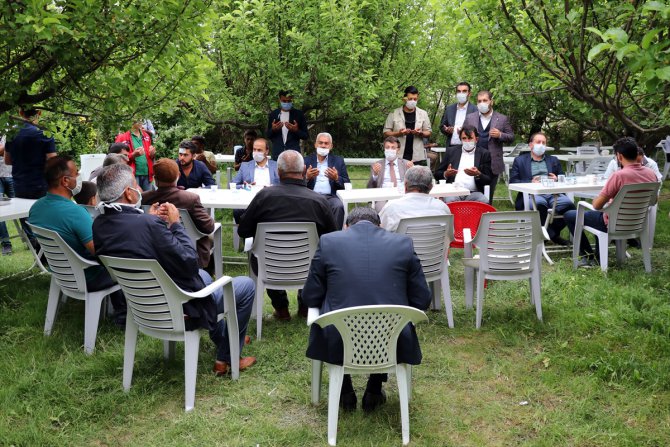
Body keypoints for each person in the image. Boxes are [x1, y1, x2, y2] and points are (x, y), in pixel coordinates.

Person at [93, 164, 256, 375]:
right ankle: (227, 357)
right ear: (128, 193)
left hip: (142, 306)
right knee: (246, 286)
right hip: (180, 308)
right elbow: (190, 261)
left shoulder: (99, 225)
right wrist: (176, 224)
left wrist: (150, 219)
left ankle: (224, 339)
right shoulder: (148, 225)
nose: (140, 189)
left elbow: (138, 246)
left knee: (204, 276)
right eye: (135, 185)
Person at [303, 206, 431, 412]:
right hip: (391, 339)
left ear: (346, 227)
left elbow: (310, 296)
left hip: (337, 340)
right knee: (385, 317)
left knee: (336, 310)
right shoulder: (403, 244)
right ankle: (373, 390)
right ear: (380, 226)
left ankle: (345, 392)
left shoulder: (328, 242)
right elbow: (422, 299)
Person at [238, 150, 338, 321]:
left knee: (262, 254)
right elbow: (332, 238)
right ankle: (305, 307)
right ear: (304, 170)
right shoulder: (318, 201)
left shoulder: (263, 197)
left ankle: (281, 309)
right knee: (319, 254)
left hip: (268, 267)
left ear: (278, 172)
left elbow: (243, 231)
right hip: (308, 268)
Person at [28, 156, 126, 325]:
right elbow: (100, 252)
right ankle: (123, 316)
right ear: (65, 181)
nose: (79, 176)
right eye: (76, 173)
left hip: (60, 273)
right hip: (87, 276)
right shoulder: (75, 213)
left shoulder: (36, 208)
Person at [564, 137, 658, 267]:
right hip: (638, 223)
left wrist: (599, 199)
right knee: (600, 215)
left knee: (570, 215)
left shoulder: (618, 175)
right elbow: (654, 200)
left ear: (619, 156)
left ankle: (588, 255)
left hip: (613, 223)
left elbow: (597, 205)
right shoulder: (651, 174)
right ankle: (598, 255)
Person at [142, 158, 215, 271]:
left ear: (155, 179)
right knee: (210, 236)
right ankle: (207, 272)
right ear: (179, 176)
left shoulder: (144, 198)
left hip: (157, 248)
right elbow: (209, 227)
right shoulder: (190, 198)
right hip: (189, 246)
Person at [4, 107, 57, 249]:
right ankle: (45, 248)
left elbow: (7, 160)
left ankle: (33, 244)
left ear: (20, 112)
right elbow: (53, 161)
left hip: (20, 183)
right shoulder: (44, 132)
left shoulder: (12, 133)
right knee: (44, 218)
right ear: (39, 112)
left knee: (26, 217)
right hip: (40, 183)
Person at [509, 132, 574, 245]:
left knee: (569, 206)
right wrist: (530, 182)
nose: (541, 145)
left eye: (544, 143)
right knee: (540, 205)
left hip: (553, 194)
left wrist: (557, 179)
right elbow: (513, 181)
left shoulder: (553, 160)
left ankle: (550, 233)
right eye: (538, 142)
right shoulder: (520, 160)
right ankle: (550, 236)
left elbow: (563, 178)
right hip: (532, 195)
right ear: (531, 145)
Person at [463, 90, 514, 203]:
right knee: (472, 194)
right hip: (473, 161)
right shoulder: (470, 117)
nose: (482, 103)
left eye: (485, 100)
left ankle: (487, 213)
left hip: (492, 163)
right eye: (479, 101)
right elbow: (463, 135)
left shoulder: (502, 118)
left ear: (491, 101)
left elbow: (511, 137)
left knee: (487, 197)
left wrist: (500, 135)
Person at [379, 166, 451, 232]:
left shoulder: (391, 208)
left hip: (402, 242)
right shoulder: (442, 207)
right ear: (431, 187)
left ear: (405, 185)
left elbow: (378, 232)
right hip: (436, 242)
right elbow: (449, 235)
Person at [435, 125, 493, 204]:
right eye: (464, 138)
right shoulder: (451, 152)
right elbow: (437, 174)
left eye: (470, 138)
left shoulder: (484, 154)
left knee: (483, 201)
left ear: (476, 139)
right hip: (453, 191)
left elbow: (488, 179)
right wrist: (446, 174)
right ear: (460, 139)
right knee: (450, 201)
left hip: (474, 192)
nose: (467, 141)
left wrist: (478, 174)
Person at [304, 132, 350, 229]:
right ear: (315, 144)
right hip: (311, 196)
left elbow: (347, 183)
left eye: (326, 143)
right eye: (320, 143)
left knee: (338, 206)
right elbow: (297, 183)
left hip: (331, 197)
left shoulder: (338, 161)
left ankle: (335, 236)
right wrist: (307, 177)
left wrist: (336, 178)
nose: (323, 145)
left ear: (331, 146)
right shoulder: (306, 161)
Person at [232, 138, 280, 223]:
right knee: (237, 211)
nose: (256, 152)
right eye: (254, 150)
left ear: (267, 151)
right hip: (249, 201)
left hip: (271, 200)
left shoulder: (276, 166)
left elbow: (285, 185)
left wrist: (272, 188)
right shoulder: (245, 166)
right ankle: (245, 230)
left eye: (259, 150)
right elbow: (232, 185)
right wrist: (244, 186)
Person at [383, 86, 432, 165]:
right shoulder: (394, 113)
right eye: (410, 99)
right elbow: (386, 133)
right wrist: (399, 133)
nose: (413, 101)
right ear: (404, 99)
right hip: (398, 155)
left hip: (416, 156)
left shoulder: (423, 113)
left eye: (415, 99)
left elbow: (428, 132)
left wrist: (420, 133)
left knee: (415, 173)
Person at [367, 136, 413, 211]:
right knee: (382, 209)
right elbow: (370, 187)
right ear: (384, 149)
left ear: (398, 150)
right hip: (383, 197)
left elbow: (414, 185)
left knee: (407, 208)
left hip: (402, 195)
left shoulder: (406, 164)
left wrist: (412, 171)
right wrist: (375, 175)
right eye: (387, 147)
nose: (390, 150)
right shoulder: (377, 165)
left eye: (393, 148)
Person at [115, 118, 156, 191]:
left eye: (142, 118)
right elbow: (116, 158)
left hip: (147, 174)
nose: (141, 121)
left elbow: (150, 156)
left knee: (148, 197)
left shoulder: (146, 135)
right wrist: (132, 155)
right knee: (135, 197)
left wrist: (152, 154)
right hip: (131, 175)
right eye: (138, 118)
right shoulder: (122, 136)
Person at [265, 90, 308, 159]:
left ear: (292, 99)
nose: (286, 103)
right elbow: (268, 135)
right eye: (284, 101)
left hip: (293, 154)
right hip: (277, 154)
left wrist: (296, 130)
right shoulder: (274, 114)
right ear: (280, 99)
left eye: (289, 101)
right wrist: (273, 130)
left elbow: (305, 136)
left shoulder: (299, 114)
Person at [439, 82, 478, 147]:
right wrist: (447, 130)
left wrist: (465, 132)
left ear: (469, 93)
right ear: (456, 93)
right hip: (451, 147)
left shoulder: (476, 110)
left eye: (464, 91)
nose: (461, 93)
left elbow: (479, 130)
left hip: (469, 147)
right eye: (459, 91)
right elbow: (442, 126)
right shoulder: (449, 109)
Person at [0, 136, 15, 255]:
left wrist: (5, 149)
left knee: (22, 208)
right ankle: (6, 243)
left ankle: (31, 239)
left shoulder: (10, 131)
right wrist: (6, 148)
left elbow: (8, 150)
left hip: (12, 174)